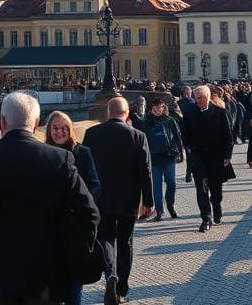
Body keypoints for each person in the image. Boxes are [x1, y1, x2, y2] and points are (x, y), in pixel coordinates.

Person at [0, 91, 98, 305]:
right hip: (46, 274)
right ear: (36, 123)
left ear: (2, 121)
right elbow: (90, 213)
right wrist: (76, 250)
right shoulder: (60, 159)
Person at [82, 96, 154, 305]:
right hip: (128, 200)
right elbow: (145, 171)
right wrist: (148, 201)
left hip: (100, 198)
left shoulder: (91, 134)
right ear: (127, 113)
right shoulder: (138, 136)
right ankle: (121, 289)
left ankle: (110, 274)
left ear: (108, 112)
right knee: (125, 242)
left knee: (105, 239)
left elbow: (84, 167)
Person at [45, 110, 101, 305]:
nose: (60, 132)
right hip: (51, 227)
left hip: (76, 226)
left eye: (64, 128)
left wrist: (83, 206)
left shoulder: (83, 152)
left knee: (75, 279)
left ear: (70, 129)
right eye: (55, 128)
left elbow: (94, 184)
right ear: (49, 130)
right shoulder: (43, 153)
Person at [182, 85, 234, 233]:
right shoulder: (190, 113)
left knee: (216, 189)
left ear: (208, 97)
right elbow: (184, 134)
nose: (198, 100)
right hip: (198, 156)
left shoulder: (220, 112)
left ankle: (217, 206)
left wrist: (227, 155)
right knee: (201, 188)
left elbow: (228, 135)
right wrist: (189, 149)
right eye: (196, 98)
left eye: (201, 97)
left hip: (216, 156)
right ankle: (206, 218)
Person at [142, 96, 184, 221]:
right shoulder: (147, 122)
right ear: (151, 109)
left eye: (159, 107)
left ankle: (170, 205)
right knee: (157, 185)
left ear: (163, 107)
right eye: (154, 108)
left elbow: (177, 137)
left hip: (168, 155)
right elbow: (143, 140)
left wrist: (181, 153)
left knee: (171, 183)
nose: (157, 110)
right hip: (154, 157)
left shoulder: (170, 121)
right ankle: (159, 211)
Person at [176, 86, 196, 183]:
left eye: (190, 92)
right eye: (187, 92)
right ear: (184, 93)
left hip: (187, 131)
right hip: (188, 131)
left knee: (189, 154)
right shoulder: (190, 103)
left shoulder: (180, 103)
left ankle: (189, 173)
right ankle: (190, 173)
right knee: (190, 153)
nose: (189, 93)